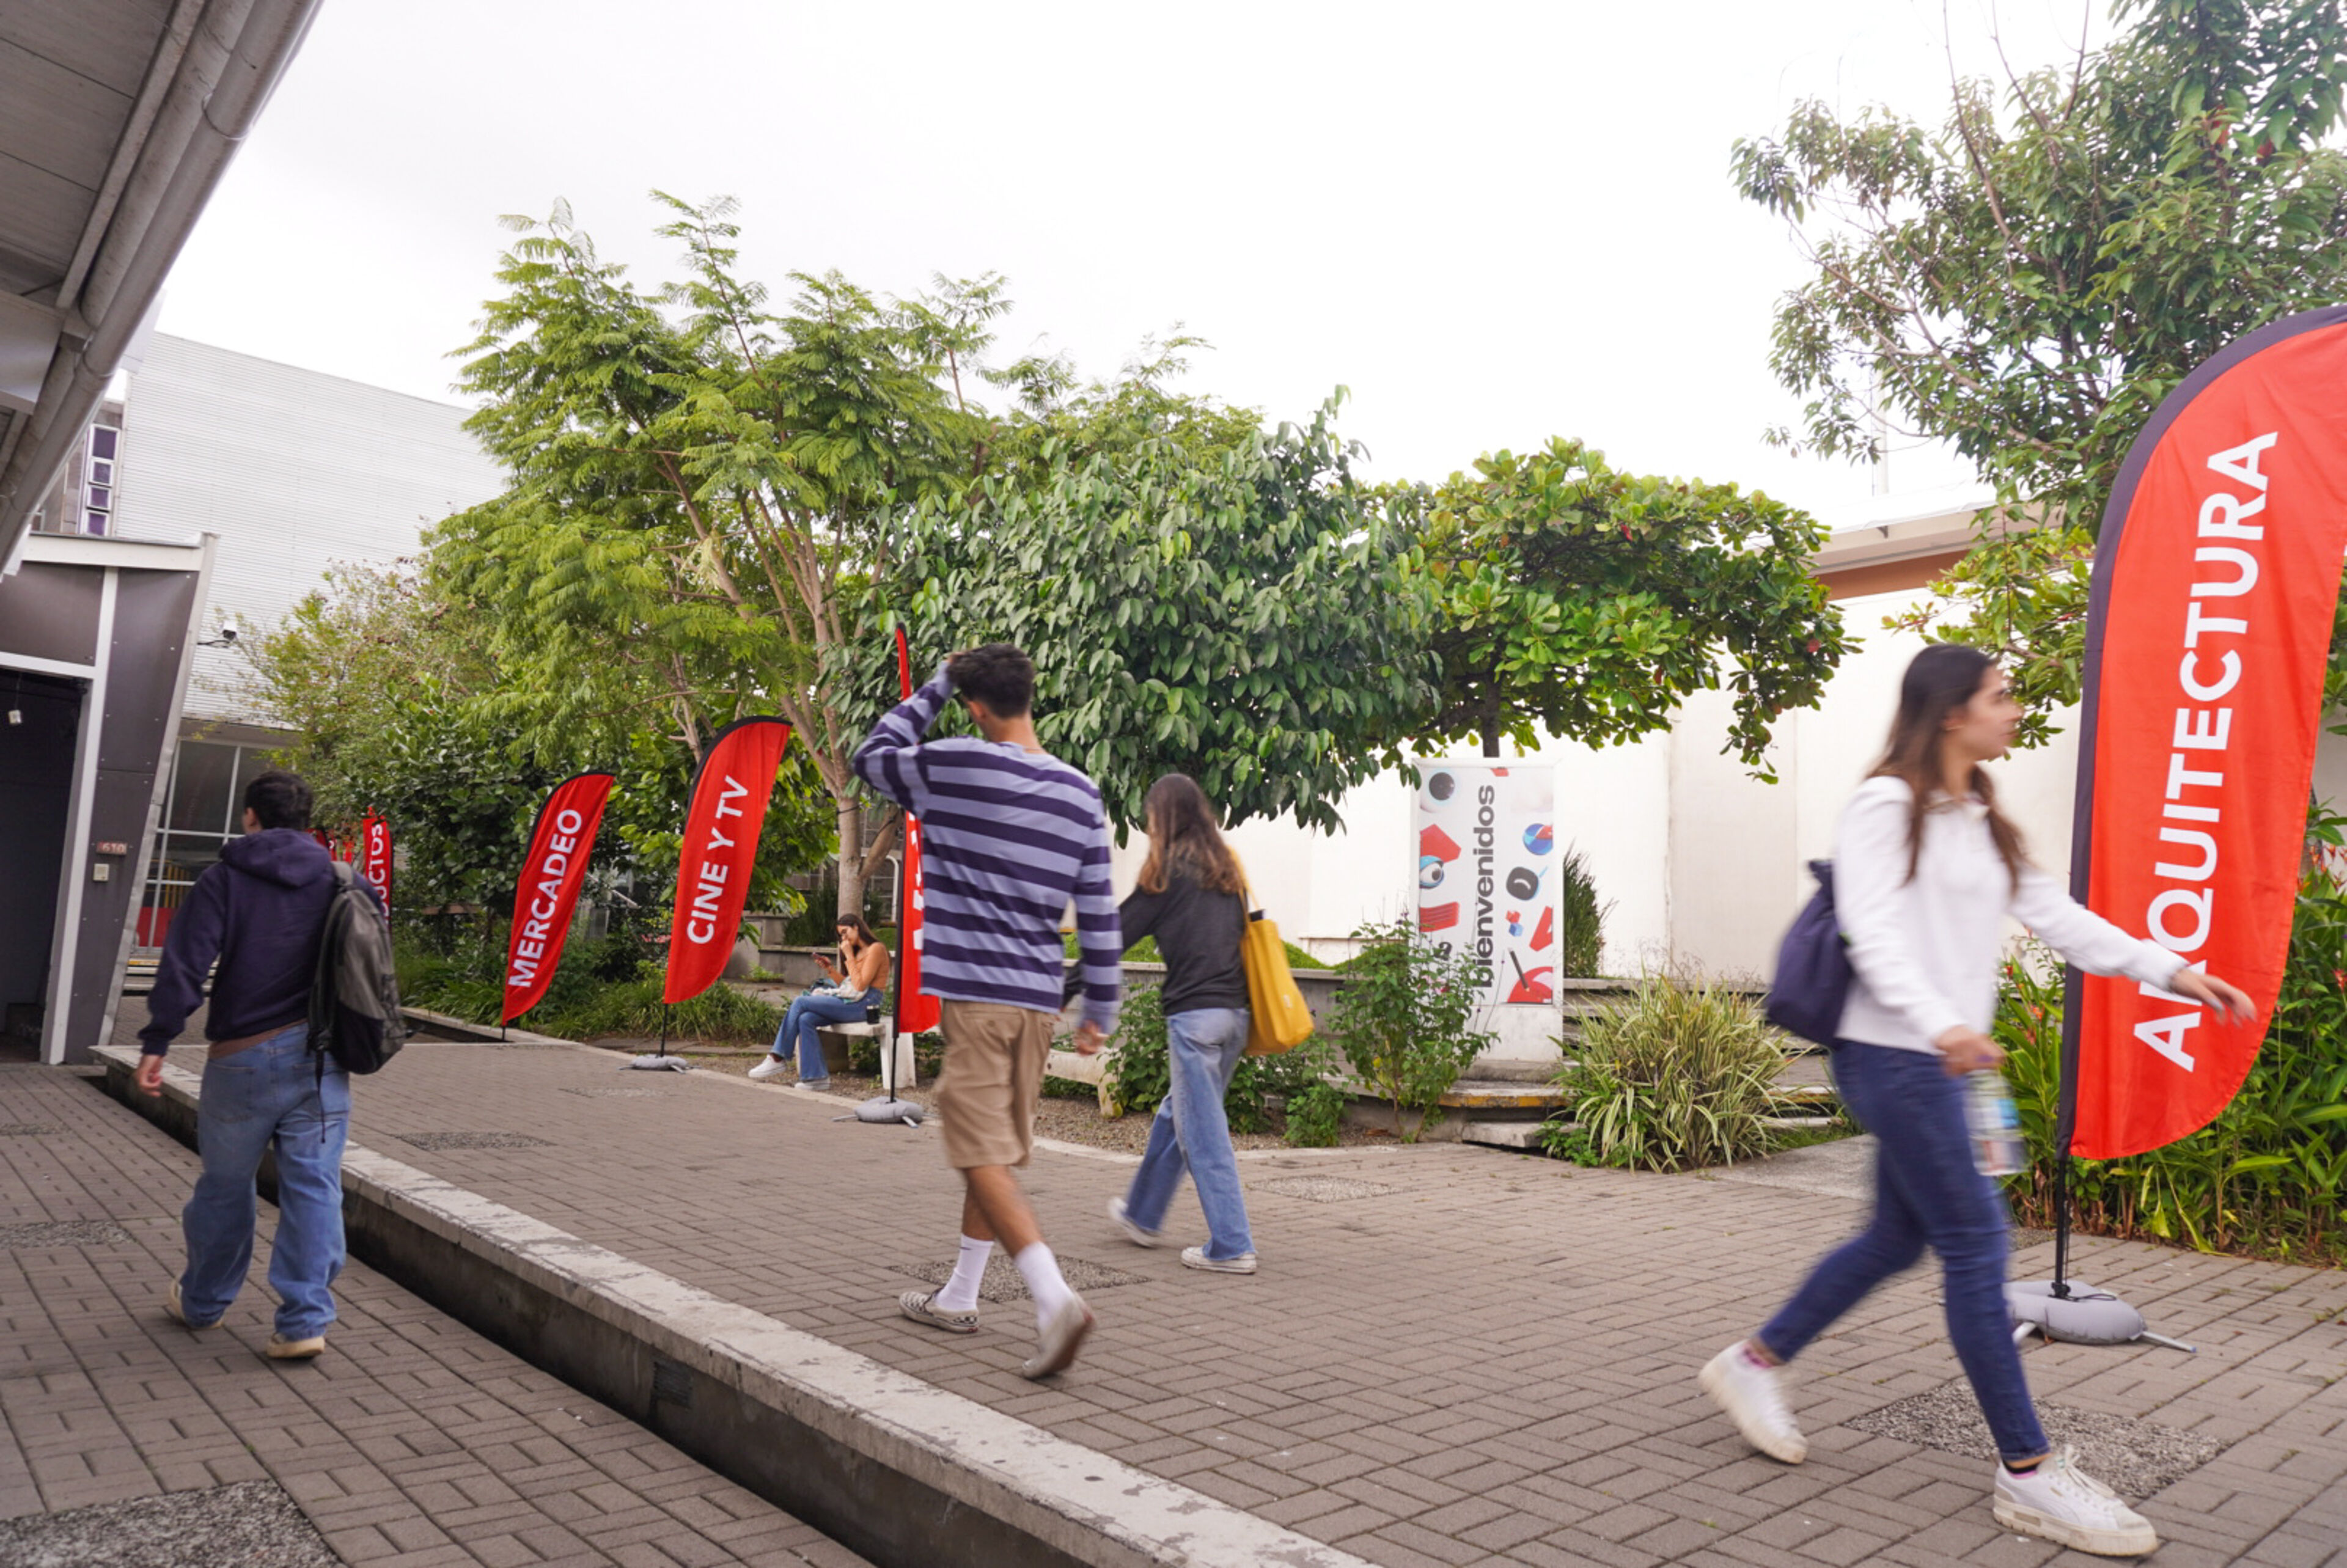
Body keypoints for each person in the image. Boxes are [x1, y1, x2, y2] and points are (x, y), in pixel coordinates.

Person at [1698, 644, 2252, 1558]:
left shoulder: (1981, 813)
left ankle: (1751, 1362)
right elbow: (1869, 927)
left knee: (1895, 1238)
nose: (2014, 710)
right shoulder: (1887, 804)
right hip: (1895, 1058)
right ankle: (2029, 1474)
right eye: (2001, 697)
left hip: (1945, 1067)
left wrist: (2172, 971)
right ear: (1951, 711)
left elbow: (2058, 915)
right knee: (1976, 1244)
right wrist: (1943, 1021)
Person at [854, 642, 1120, 1379]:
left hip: (977, 998)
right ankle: (959, 1295)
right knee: (993, 1152)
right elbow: (1098, 910)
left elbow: (871, 754)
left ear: (974, 707)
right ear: (1030, 695)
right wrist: (1101, 1001)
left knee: (975, 1149)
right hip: (1038, 1002)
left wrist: (934, 687)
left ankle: (1053, 1297)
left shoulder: (950, 767)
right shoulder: (1079, 790)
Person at [135, 769, 384, 1361]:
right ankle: (303, 1321)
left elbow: (183, 964)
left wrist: (158, 1038)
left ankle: (202, 1303)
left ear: (250, 816)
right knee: (314, 1188)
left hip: (242, 1059)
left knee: (224, 1187)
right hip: (323, 1059)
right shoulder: (346, 880)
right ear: (306, 820)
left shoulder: (224, 879)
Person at [1102, 773, 1257, 1273]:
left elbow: (1113, 939)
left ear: (1161, 819)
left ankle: (1232, 1245)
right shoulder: (1227, 871)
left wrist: (1061, 991)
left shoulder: (1165, 874)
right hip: (1235, 1016)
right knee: (1181, 1112)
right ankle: (1143, 1215)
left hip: (1194, 1019)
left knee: (1203, 1132)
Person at [749, 917, 891, 1085]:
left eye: (845, 932)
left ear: (857, 927)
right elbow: (850, 986)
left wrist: (848, 955)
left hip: (866, 1005)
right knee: (806, 1018)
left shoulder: (876, 949)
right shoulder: (857, 951)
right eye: (841, 936)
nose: (844, 939)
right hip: (852, 1002)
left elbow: (860, 987)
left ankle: (777, 1057)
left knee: (801, 1002)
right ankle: (816, 1078)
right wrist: (830, 969)